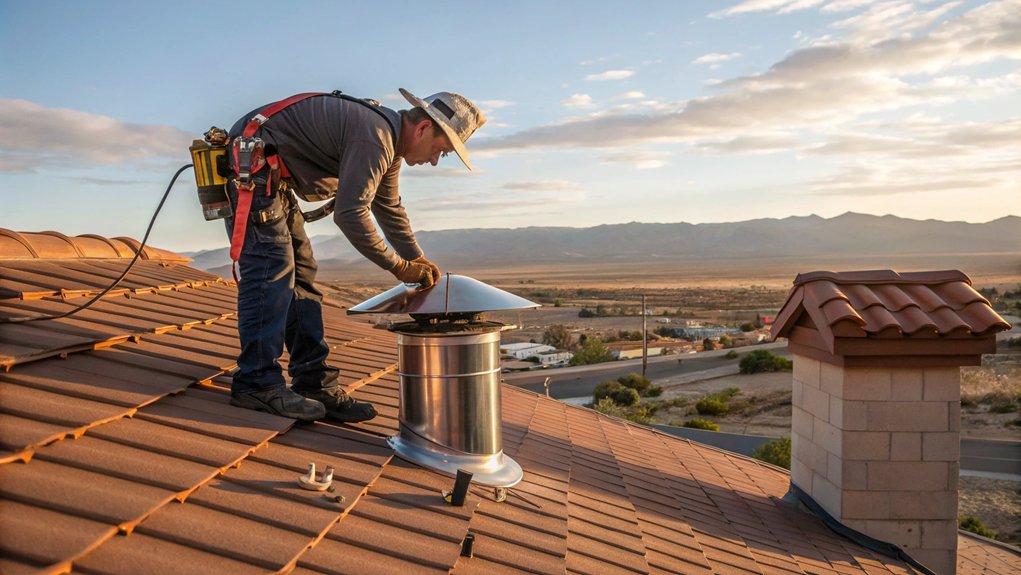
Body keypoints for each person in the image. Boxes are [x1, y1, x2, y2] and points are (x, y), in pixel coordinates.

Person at [222, 88, 486, 422]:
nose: (434, 160)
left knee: (302, 272)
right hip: (253, 171)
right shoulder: (375, 138)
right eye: (440, 150)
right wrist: (399, 267)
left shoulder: (389, 144)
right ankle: (256, 383)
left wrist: (416, 258)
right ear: (421, 129)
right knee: (272, 268)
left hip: (272, 179)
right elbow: (350, 213)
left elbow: (387, 206)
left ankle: (313, 382)